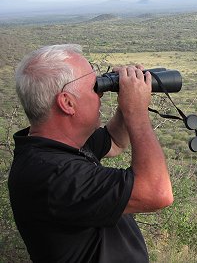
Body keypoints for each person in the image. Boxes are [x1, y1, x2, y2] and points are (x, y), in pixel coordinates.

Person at [8, 44, 173, 262]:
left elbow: (115, 141)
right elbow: (157, 193)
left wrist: (126, 103)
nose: (101, 95)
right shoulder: (52, 175)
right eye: (93, 87)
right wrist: (136, 111)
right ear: (67, 103)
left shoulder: (56, 143)